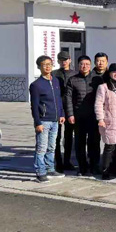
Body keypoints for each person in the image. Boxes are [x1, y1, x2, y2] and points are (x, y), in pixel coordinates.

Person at [29, 55, 66, 183]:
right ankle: (40, 172)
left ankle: (50, 168)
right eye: (44, 64)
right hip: (44, 121)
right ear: (39, 67)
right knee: (41, 148)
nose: (48, 66)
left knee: (52, 146)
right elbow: (34, 106)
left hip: (55, 120)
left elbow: (59, 99)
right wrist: (37, 122)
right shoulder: (36, 85)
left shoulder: (55, 81)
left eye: (49, 64)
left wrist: (61, 114)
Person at [65, 55, 99, 176]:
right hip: (79, 116)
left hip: (93, 116)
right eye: (82, 64)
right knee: (79, 143)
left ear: (90, 65)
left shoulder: (96, 79)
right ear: (78, 65)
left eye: (87, 64)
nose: (84, 66)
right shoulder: (72, 80)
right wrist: (70, 114)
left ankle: (94, 166)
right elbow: (68, 98)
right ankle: (82, 167)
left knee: (94, 142)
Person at [51, 51, 76, 172]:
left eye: (65, 59)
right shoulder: (54, 74)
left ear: (70, 60)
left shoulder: (74, 74)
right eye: (61, 60)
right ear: (58, 61)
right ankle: (58, 161)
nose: (63, 62)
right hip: (57, 107)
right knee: (56, 135)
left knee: (69, 136)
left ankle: (67, 160)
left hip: (70, 108)